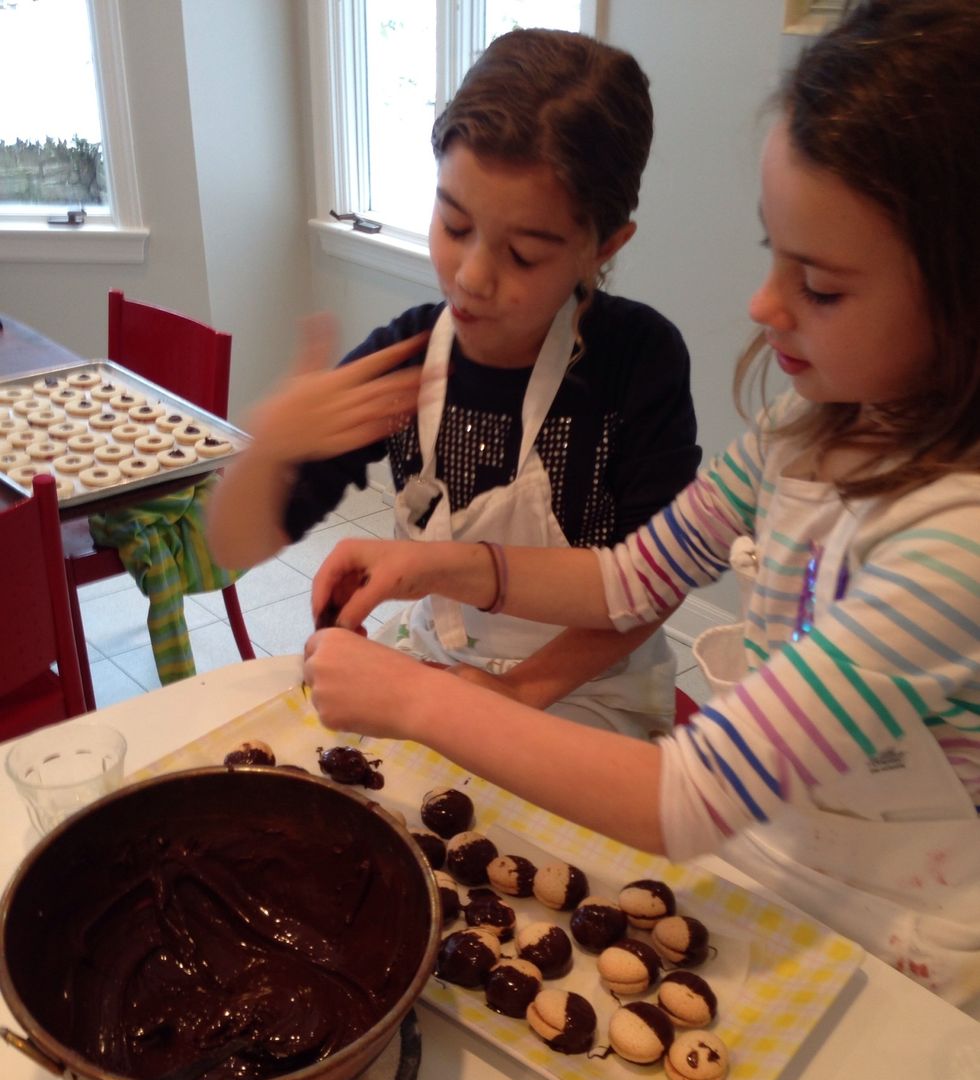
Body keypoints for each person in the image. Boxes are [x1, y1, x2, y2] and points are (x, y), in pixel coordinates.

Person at [300, 0, 980, 1012]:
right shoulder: (801, 431)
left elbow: (691, 793)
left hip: (910, 948)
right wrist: (438, 565)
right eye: (773, 254)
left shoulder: (952, 545)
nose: (762, 304)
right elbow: (633, 573)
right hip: (780, 861)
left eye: (821, 286)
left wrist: (415, 699)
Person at [208, 28, 699, 739]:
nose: (471, 276)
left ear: (604, 246)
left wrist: (521, 691)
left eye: (523, 254)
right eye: (454, 223)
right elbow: (230, 547)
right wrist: (269, 449)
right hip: (443, 663)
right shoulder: (406, 360)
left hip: (590, 690)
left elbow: (653, 583)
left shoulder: (638, 362)